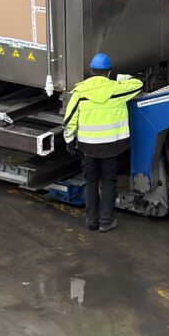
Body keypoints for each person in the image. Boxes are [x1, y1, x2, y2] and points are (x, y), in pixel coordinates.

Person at [62, 52, 142, 232]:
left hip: (88, 147)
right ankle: (106, 221)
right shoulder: (117, 89)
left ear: (91, 71)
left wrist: (69, 140)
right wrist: (124, 78)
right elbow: (138, 84)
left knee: (90, 181)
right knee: (108, 182)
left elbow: (70, 120)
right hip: (111, 147)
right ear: (109, 72)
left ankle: (91, 221)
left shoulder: (80, 92)